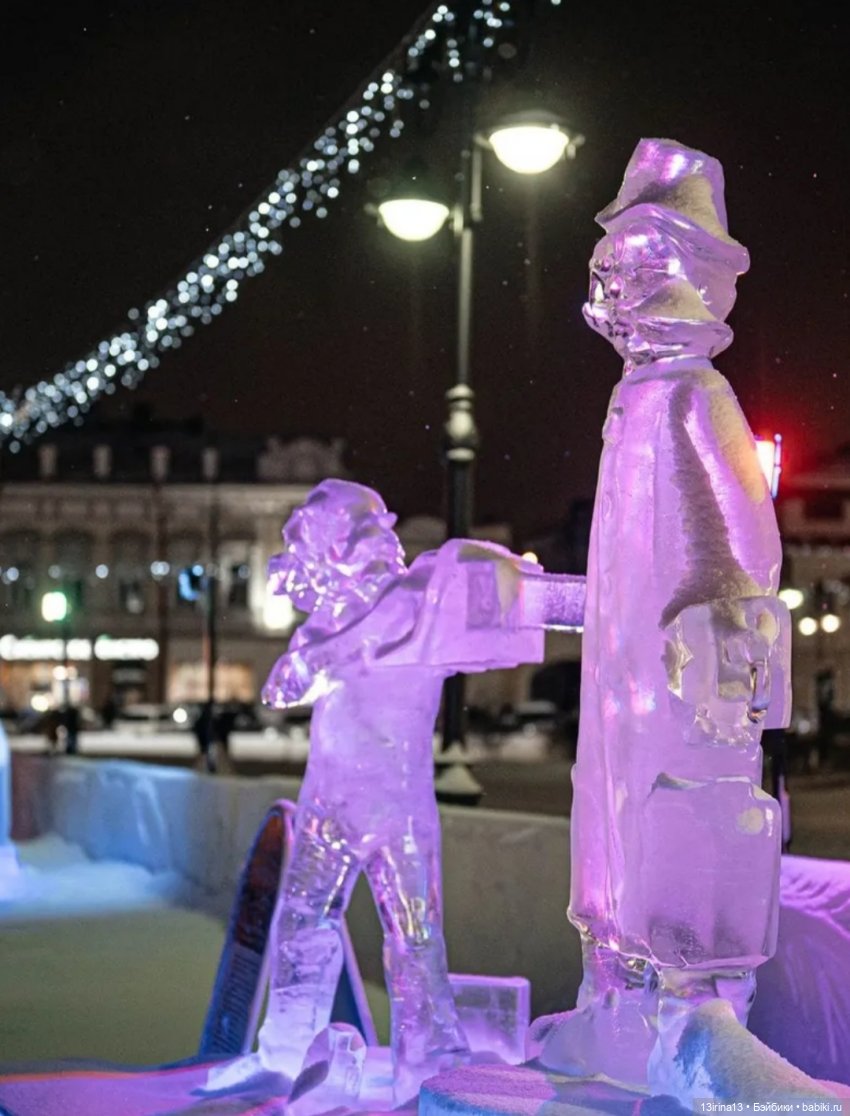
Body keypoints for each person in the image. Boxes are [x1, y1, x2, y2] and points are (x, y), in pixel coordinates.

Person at [528, 139, 792, 1097]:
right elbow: (624, 565)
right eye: (608, 265)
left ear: (692, 274)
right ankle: (612, 1007)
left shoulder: (692, 395)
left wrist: (729, 639)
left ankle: (695, 1019)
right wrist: (555, 603)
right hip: (625, 689)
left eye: (637, 262)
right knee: (609, 833)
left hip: (687, 684)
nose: (612, 285)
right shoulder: (634, 399)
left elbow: (745, 537)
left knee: (679, 830)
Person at [241, 479, 575, 1103]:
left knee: (414, 939)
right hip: (327, 809)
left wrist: (604, 603)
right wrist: (312, 659)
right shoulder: (321, 630)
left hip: (396, 811)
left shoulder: (423, 603)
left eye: (311, 543)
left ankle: (430, 1062)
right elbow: (282, 690)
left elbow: (513, 588)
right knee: (304, 925)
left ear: (343, 544)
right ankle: (285, 1052)